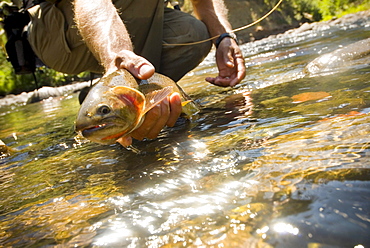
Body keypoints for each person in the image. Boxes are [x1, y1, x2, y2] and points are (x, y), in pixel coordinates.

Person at [25, 0, 246, 146]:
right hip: (55, 30)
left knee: (192, 33)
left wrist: (224, 37)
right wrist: (116, 59)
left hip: (123, 15)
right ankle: (117, 90)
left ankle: (125, 103)